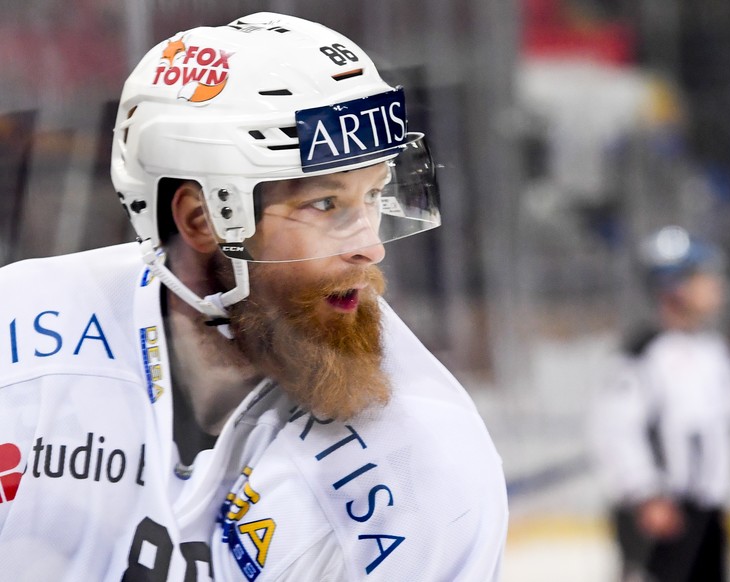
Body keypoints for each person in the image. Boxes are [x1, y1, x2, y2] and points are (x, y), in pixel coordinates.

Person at [0, 12, 507, 581]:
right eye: (326, 204)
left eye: (373, 195)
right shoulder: (20, 338)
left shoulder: (419, 475)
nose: (372, 247)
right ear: (200, 220)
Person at [591, 226, 730, 582]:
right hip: (663, 517)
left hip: (707, 513)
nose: (716, 285)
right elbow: (615, 430)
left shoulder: (714, 350)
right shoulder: (642, 355)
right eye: (704, 276)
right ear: (674, 285)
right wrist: (646, 494)